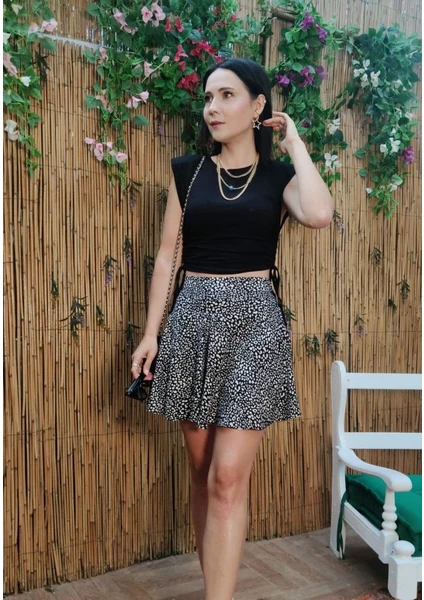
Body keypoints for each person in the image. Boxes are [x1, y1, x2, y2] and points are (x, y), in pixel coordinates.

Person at [130, 57, 333, 600]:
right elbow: (167, 257)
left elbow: (319, 214)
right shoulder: (188, 172)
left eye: (226, 95)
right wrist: (151, 334)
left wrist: (294, 143)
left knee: (226, 478)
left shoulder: (279, 178)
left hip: (255, 326)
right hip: (191, 322)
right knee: (202, 474)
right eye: (208, 98)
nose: (212, 108)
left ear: (258, 105)